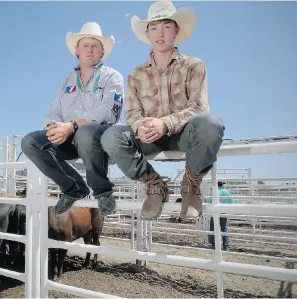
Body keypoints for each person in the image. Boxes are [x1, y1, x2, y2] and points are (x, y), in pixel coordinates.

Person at [101, 0, 225, 220]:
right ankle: (154, 185)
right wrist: (139, 127)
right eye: (154, 27)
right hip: (150, 138)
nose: (160, 33)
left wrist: (165, 123)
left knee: (211, 123)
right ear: (147, 33)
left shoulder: (194, 65)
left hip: (184, 135)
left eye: (167, 26)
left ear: (176, 30)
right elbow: (132, 113)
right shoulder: (135, 74)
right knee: (111, 136)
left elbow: (199, 106)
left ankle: (191, 184)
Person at [21, 22, 124, 217]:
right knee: (30, 142)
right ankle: (73, 187)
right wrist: (54, 128)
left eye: (95, 46)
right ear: (77, 51)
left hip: (99, 140)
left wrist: (73, 126)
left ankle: (103, 191)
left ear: (102, 53)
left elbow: (108, 112)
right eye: (85, 45)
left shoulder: (113, 77)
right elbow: (54, 110)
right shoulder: (66, 81)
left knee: (85, 133)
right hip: (69, 137)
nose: (90, 50)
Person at [206, 181, 232, 250]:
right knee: (224, 229)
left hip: (215, 212)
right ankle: (225, 246)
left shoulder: (213, 192)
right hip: (224, 212)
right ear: (222, 185)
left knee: (213, 228)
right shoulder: (226, 192)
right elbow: (230, 202)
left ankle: (213, 244)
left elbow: (208, 201)